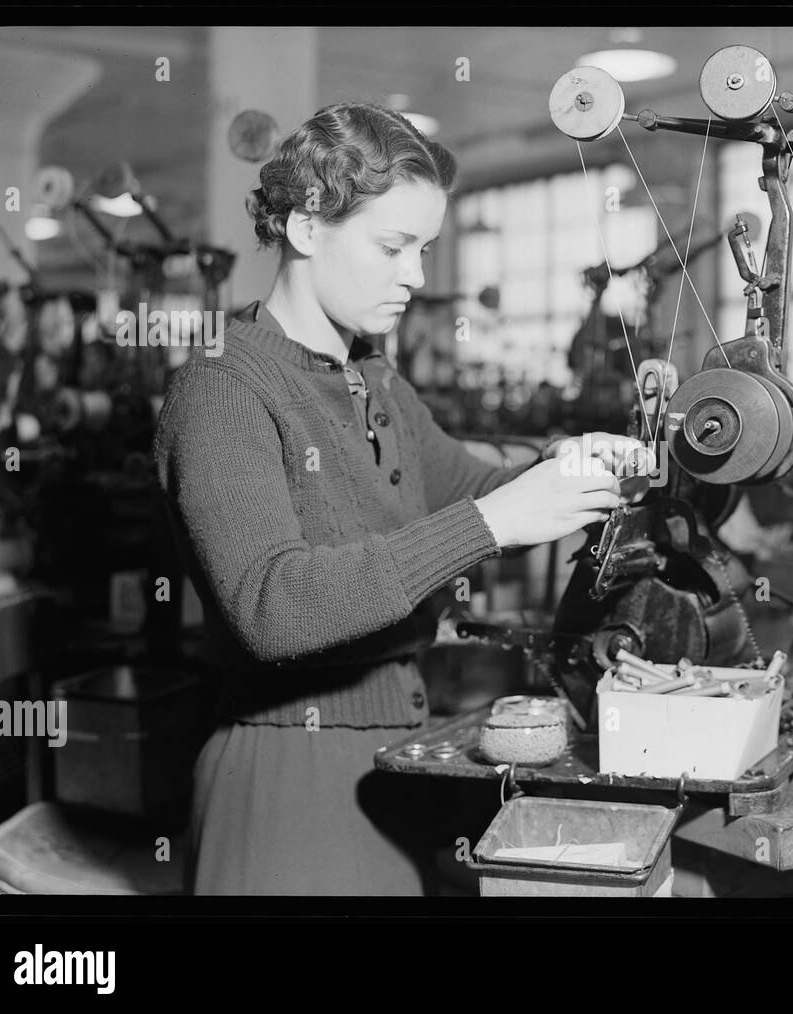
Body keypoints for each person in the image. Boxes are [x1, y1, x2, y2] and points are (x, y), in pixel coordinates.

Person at [154, 102, 644, 894]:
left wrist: (568, 464)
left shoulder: (372, 376)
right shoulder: (222, 390)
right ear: (307, 228)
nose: (416, 275)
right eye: (393, 246)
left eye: (424, 248)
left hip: (393, 763)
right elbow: (273, 605)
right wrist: (497, 520)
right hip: (288, 781)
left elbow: (470, 487)